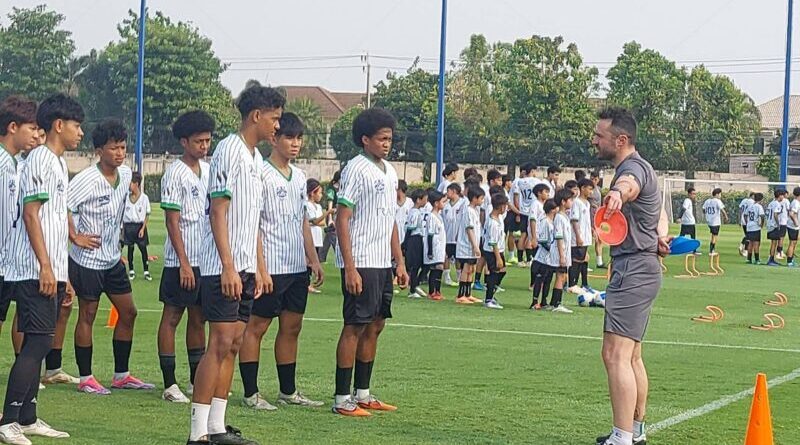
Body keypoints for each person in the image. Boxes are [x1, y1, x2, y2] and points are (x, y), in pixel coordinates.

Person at [188, 84, 284, 445]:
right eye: (274, 118)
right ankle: (196, 432)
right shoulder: (229, 150)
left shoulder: (255, 159)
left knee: (234, 342)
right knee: (220, 342)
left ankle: (217, 426)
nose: (277, 125)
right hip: (221, 267)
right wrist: (228, 266)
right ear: (256, 115)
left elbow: (252, 219)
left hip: (244, 267)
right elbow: (218, 211)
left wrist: (259, 267)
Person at [0, 93, 83, 443]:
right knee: (36, 344)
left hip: (50, 268)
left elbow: (53, 221)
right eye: (77, 125)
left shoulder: (57, 163)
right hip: (33, 269)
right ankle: (9, 420)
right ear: (59, 125)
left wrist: (63, 273)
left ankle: (28, 417)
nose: (81, 133)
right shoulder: (39, 161)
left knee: (41, 342)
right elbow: (31, 215)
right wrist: (45, 267)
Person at [592, 107, 669, 445]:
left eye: (599, 135)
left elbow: (629, 185)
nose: (594, 140)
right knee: (632, 355)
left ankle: (622, 437)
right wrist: (659, 235)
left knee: (615, 354)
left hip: (633, 270)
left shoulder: (631, 169)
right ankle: (634, 432)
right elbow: (660, 213)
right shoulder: (645, 166)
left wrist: (617, 193)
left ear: (620, 140)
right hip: (644, 267)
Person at [239, 112, 325, 412]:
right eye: (289, 137)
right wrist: (260, 269)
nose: (295, 143)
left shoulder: (300, 176)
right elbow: (253, 225)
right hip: (270, 267)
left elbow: (303, 221)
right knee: (257, 327)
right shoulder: (260, 173)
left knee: (292, 327)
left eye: (299, 138)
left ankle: (288, 391)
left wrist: (313, 260)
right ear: (274, 138)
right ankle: (251, 393)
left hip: (296, 267)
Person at [67, 119, 154, 397]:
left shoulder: (126, 175)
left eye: (123, 147)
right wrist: (75, 236)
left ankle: (121, 375)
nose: (119, 153)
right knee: (88, 314)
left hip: (112, 259)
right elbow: (61, 206)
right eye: (113, 148)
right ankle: (86, 378)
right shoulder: (85, 180)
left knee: (128, 312)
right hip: (87, 260)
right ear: (99, 151)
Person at [332, 108, 408, 417]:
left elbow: (391, 219)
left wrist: (399, 262)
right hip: (361, 259)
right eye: (381, 138)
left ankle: (362, 393)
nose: (387, 144)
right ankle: (341, 398)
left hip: (381, 262)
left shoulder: (390, 171)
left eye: (390, 138)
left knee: (376, 325)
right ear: (365, 139)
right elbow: (342, 218)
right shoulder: (355, 169)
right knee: (354, 326)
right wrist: (350, 267)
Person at [157, 110, 215, 403]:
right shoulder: (174, 173)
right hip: (181, 260)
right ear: (184, 142)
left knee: (199, 318)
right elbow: (172, 221)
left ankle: (196, 380)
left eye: (207, 141)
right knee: (172, 317)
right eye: (198, 141)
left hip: (205, 259)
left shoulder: (209, 170)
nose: (204, 146)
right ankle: (169, 384)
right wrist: (183, 263)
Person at [0, 96, 38, 341]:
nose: (35, 135)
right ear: (13, 127)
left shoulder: (12, 163)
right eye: (31, 128)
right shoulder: (3, 164)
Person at [455, 186, 484, 305]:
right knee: (466, 269)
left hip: (473, 245)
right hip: (467, 245)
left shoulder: (475, 211)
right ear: (474, 198)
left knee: (472, 269)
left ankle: (468, 294)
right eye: (481, 198)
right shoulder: (467, 211)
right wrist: (475, 246)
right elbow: (469, 229)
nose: (482, 201)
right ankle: (461, 294)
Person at [121, 172, 152, 280]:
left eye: (130, 183)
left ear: (136, 184)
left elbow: (147, 214)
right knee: (130, 248)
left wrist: (143, 228)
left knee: (143, 249)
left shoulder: (144, 198)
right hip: (128, 226)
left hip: (139, 226)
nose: (129, 185)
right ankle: (131, 270)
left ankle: (146, 271)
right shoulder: (126, 197)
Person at [550, 189, 574, 314]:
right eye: (570, 200)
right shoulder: (559, 217)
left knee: (563, 276)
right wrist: (562, 256)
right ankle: (557, 303)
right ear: (563, 202)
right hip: (560, 251)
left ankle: (555, 302)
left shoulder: (565, 217)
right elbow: (559, 237)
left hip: (565, 251)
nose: (572, 202)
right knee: (560, 276)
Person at [568, 178, 594, 293]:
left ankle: (583, 284)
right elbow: (574, 220)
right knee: (576, 260)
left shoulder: (587, 203)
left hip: (586, 235)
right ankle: (571, 284)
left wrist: (591, 229)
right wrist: (578, 236)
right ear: (582, 188)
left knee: (583, 259)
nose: (591, 192)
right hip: (578, 236)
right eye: (589, 189)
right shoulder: (576, 202)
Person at [482, 193, 508, 310]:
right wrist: (498, 258)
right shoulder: (492, 222)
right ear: (500, 206)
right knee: (494, 273)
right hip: (492, 251)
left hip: (499, 250)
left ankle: (491, 292)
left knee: (502, 271)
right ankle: (488, 299)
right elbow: (493, 242)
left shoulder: (499, 218)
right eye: (505, 206)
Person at [531, 199, 558, 310]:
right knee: (540, 279)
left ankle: (544, 301)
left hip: (550, 258)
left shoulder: (552, 222)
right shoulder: (545, 221)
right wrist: (551, 249)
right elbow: (542, 240)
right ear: (552, 210)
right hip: (542, 257)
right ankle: (534, 302)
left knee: (548, 280)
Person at [511, 163, 539, 267]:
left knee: (523, 235)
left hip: (523, 211)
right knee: (530, 235)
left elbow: (516, 197)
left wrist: (517, 212)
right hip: (532, 211)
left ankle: (520, 259)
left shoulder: (519, 182)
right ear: (532, 171)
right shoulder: (536, 181)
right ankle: (529, 259)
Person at [306, 178, 330, 293]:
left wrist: (316, 221)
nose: (321, 195)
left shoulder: (319, 207)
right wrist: (327, 213)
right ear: (312, 193)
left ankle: (311, 283)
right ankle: (307, 284)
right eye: (319, 193)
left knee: (314, 262)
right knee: (308, 262)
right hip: (310, 237)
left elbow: (321, 222)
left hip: (317, 238)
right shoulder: (307, 205)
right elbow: (314, 221)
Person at [423, 190, 447, 300]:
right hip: (434, 247)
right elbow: (430, 235)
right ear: (436, 203)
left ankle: (437, 291)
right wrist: (430, 251)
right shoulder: (432, 217)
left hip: (440, 247)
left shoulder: (439, 216)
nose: (444, 204)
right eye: (442, 201)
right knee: (436, 268)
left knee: (439, 268)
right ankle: (432, 291)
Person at [404, 189, 427, 299]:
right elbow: (410, 228)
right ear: (418, 200)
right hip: (414, 239)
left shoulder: (417, 212)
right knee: (415, 265)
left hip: (418, 238)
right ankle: (412, 289)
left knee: (421, 263)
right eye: (424, 199)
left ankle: (415, 284)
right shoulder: (414, 212)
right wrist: (405, 243)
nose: (426, 202)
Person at [442, 183, 465, 287]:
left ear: (454, 191)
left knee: (458, 258)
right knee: (446, 256)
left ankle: (459, 277)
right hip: (447, 235)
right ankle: (447, 277)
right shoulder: (445, 205)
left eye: (448, 191)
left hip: (458, 236)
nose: (447, 194)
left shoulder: (463, 203)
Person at [527, 183, 550, 289]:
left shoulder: (545, 205)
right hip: (537, 236)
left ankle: (540, 281)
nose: (548, 194)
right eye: (546, 192)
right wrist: (533, 237)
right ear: (539, 193)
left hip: (543, 236)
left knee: (543, 259)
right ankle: (533, 283)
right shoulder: (535, 204)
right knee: (536, 260)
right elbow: (533, 220)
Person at [318, 170, 340, 263]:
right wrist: (330, 218)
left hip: (337, 213)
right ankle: (339, 254)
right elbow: (330, 204)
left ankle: (321, 256)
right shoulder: (331, 189)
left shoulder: (340, 188)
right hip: (332, 214)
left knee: (329, 236)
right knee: (333, 235)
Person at [701, 188, 728, 255]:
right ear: (717, 194)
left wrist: (707, 214)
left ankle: (712, 250)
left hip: (709, 221)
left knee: (713, 235)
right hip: (715, 221)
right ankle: (712, 250)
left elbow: (703, 210)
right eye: (720, 194)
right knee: (714, 236)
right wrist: (726, 217)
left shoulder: (707, 201)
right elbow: (722, 210)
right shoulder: (717, 201)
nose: (720, 196)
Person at [765, 189, 787, 267]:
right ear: (779, 196)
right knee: (774, 243)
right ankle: (770, 260)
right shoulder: (777, 204)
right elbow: (775, 214)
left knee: (773, 242)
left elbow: (767, 213)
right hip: (774, 225)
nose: (783, 197)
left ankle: (772, 259)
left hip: (769, 224)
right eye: (782, 195)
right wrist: (778, 224)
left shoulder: (771, 203)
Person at [589, 170, 605, 268]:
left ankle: (599, 261)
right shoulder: (588, 190)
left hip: (598, 216)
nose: (593, 181)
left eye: (595, 179)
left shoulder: (599, 189)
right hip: (590, 216)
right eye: (592, 179)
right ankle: (583, 260)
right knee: (588, 239)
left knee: (599, 239)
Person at [745, 193, 765, 265]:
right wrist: (762, 224)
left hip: (749, 226)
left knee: (750, 243)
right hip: (755, 227)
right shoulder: (759, 207)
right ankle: (757, 259)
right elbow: (762, 216)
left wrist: (747, 222)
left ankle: (749, 258)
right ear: (761, 199)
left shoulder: (750, 206)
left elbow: (745, 215)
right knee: (756, 243)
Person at [738, 192, 755, 256]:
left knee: (747, 235)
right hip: (748, 220)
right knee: (749, 236)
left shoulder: (744, 200)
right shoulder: (752, 202)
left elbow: (740, 210)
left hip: (743, 220)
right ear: (752, 196)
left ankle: (742, 246)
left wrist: (739, 220)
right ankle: (745, 249)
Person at [787, 187, 800, 267]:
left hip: (793, 226)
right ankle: (789, 261)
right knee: (792, 243)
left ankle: (791, 259)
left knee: (794, 243)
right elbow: (791, 214)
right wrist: (796, 222)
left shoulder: (795, 202)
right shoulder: (796, 203)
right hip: (793, 226)